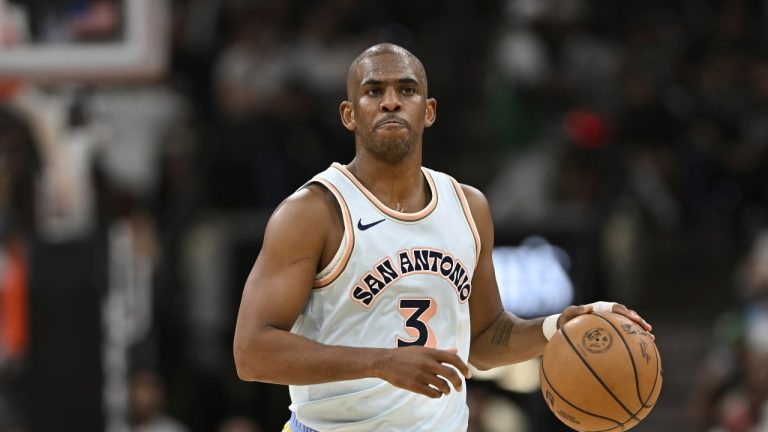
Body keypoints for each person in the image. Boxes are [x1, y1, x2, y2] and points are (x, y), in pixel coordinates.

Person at [233, 43, 653, 432]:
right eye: (373, 90)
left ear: (429, 110)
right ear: (349, 114)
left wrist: (554, 328)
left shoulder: (469, 207)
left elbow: (485, 340)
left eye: (407, 90)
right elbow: (251, 353)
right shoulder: (312, 212)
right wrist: (381, 363)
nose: (391, 101)